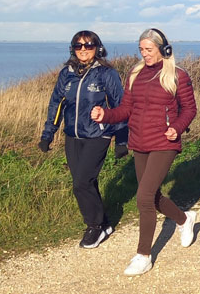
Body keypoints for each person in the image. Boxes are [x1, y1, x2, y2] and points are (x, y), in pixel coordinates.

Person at [91, 28, 198, 275]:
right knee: (152, 195)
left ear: (163, 49)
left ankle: (143, 256)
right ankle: (184, 219)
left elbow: (189, 109)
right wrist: (105, 115)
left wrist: (177, 129)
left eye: (149, 49)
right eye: (141, 49)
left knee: (143, 198)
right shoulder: (135, 73)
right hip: (139, 142)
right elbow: (126, 109)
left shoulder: (178, 75)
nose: (144, 54)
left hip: (164, 142)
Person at [39, 30, 127, 249]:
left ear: (97, 47)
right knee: (86, 181)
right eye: (79, 46)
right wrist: (48, 134)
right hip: (73, 136)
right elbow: (56, 105)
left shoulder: (107, 74)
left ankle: (95, 226)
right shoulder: (66, 73)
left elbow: (121, 107)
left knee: (81, 183)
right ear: (73, 49)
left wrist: (122, 139)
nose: (84, 50)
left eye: (88, 45)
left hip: (99, 134)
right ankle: (105, 223)